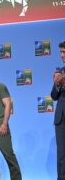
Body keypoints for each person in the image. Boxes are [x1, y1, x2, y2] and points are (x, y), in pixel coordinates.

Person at [51, 41, 65, 180]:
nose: (62, 55)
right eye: (61, 52)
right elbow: (54, 96)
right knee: (62, 156)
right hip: (61, 119)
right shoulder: (60, 71)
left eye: (64, 52)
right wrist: (57, 83)